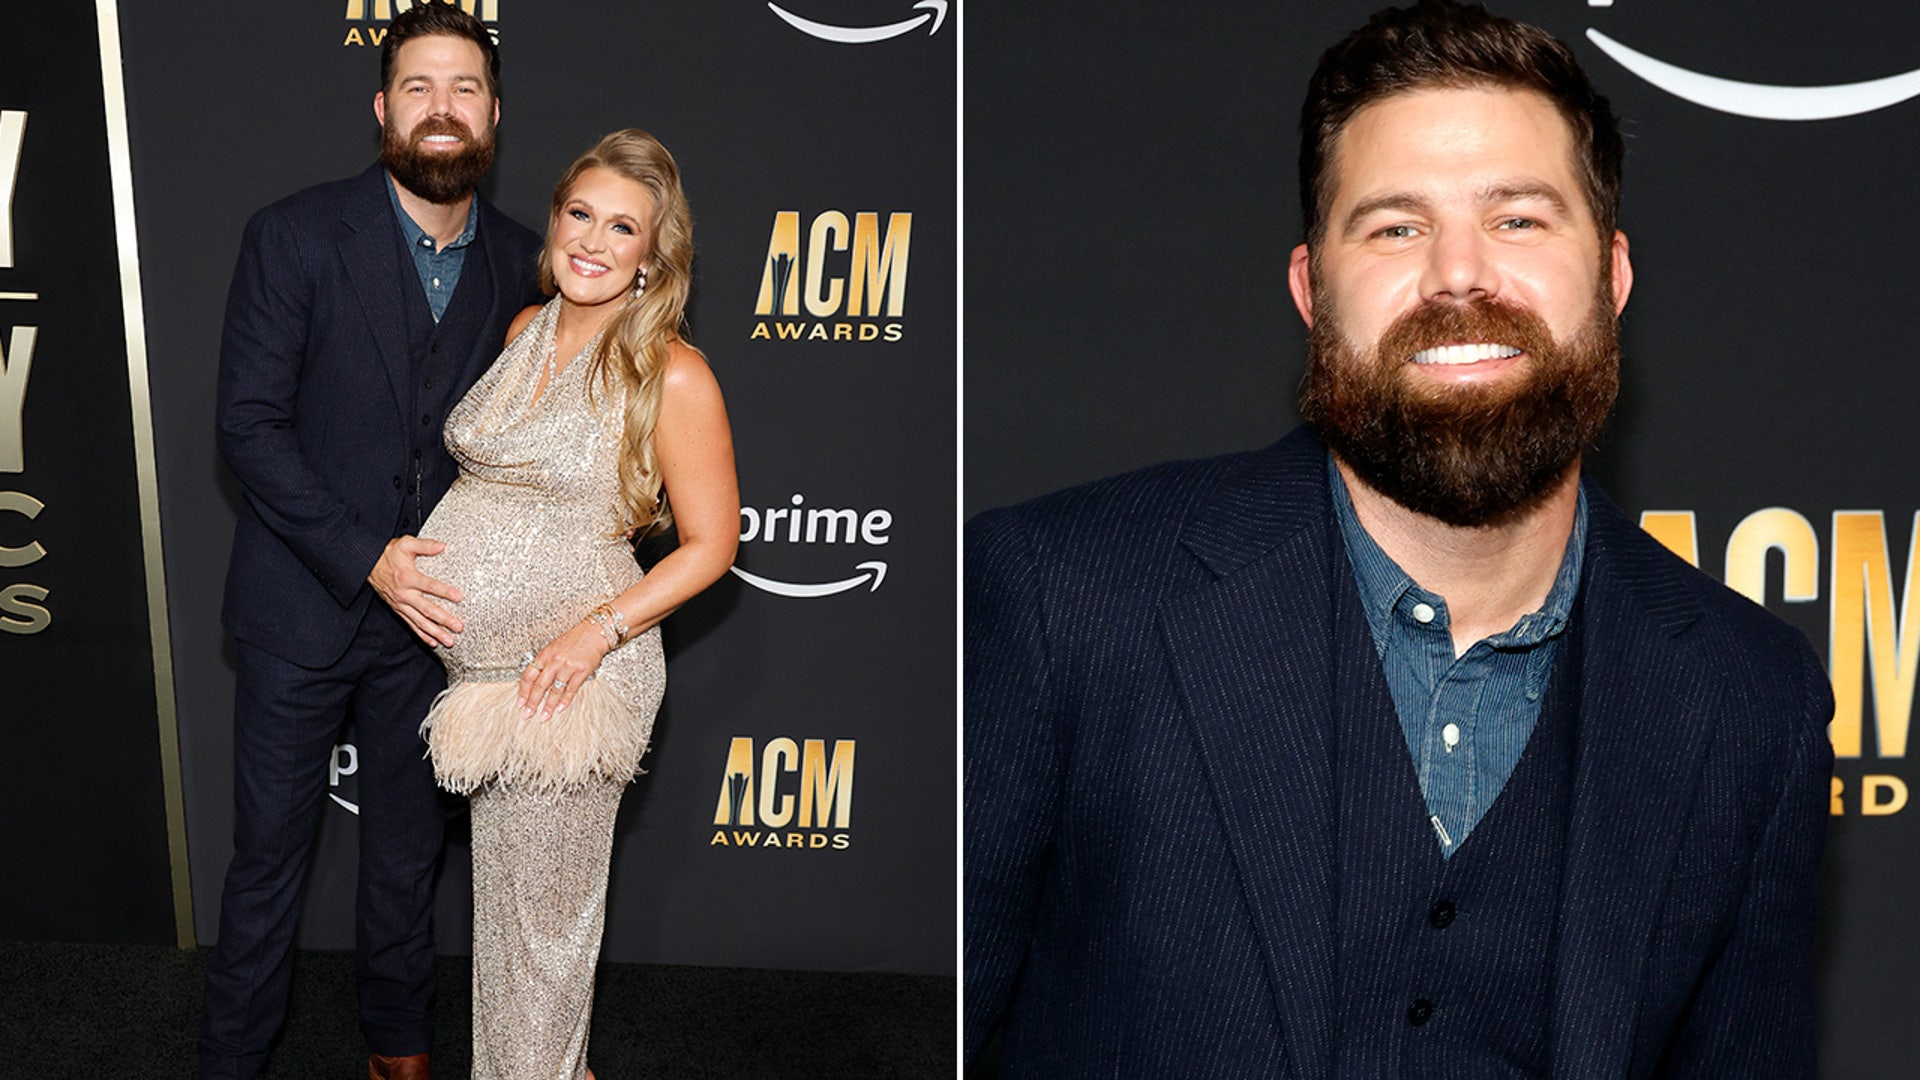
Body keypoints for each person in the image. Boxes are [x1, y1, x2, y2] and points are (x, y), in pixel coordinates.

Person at [965, 2, 1833, 1076]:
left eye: (1518, 219)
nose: (1458, 276)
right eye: (1394, 227)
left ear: (1610, 279)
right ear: (1311, 290)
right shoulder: (1064, 601)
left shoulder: (1753, 701)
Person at [202, 6, 543, 1078]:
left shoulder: (532, 267)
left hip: (436, 625)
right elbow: (246, 427)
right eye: (418, 87)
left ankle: (400, 1051)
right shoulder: (294, 234)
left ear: (495, 114)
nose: (442, 108)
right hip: (299, 607)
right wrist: (367, 555)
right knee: (267, 863)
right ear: (383, 106)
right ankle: (233, 1062)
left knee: (405, 862)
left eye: (465, 89)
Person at [413, 128, 737, 1079]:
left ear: (654, 251)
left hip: (574, 685)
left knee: (544, 937)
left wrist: (592, 637)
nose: (593, 241)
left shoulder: (673, 372)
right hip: (489, 679)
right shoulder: (524, 331)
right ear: (553, 222)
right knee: (512, 929)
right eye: (580, 214)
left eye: (622, 227)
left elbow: (714, 543)